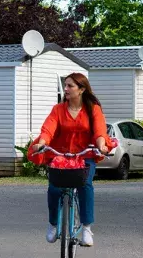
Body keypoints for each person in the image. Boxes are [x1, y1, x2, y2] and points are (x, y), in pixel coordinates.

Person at [32, 73, 111, 247]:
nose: (65, 89)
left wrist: (101, 145)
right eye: (65, 85)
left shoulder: (93, 109)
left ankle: (86, 228)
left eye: (70, 86)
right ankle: (53, 223)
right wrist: (42, 143)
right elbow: (48, 129)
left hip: (85, 155)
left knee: (85, 185)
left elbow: (99, 131)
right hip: (60, 155)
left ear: (81, 89)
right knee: (54, 188)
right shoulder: (58, 109)